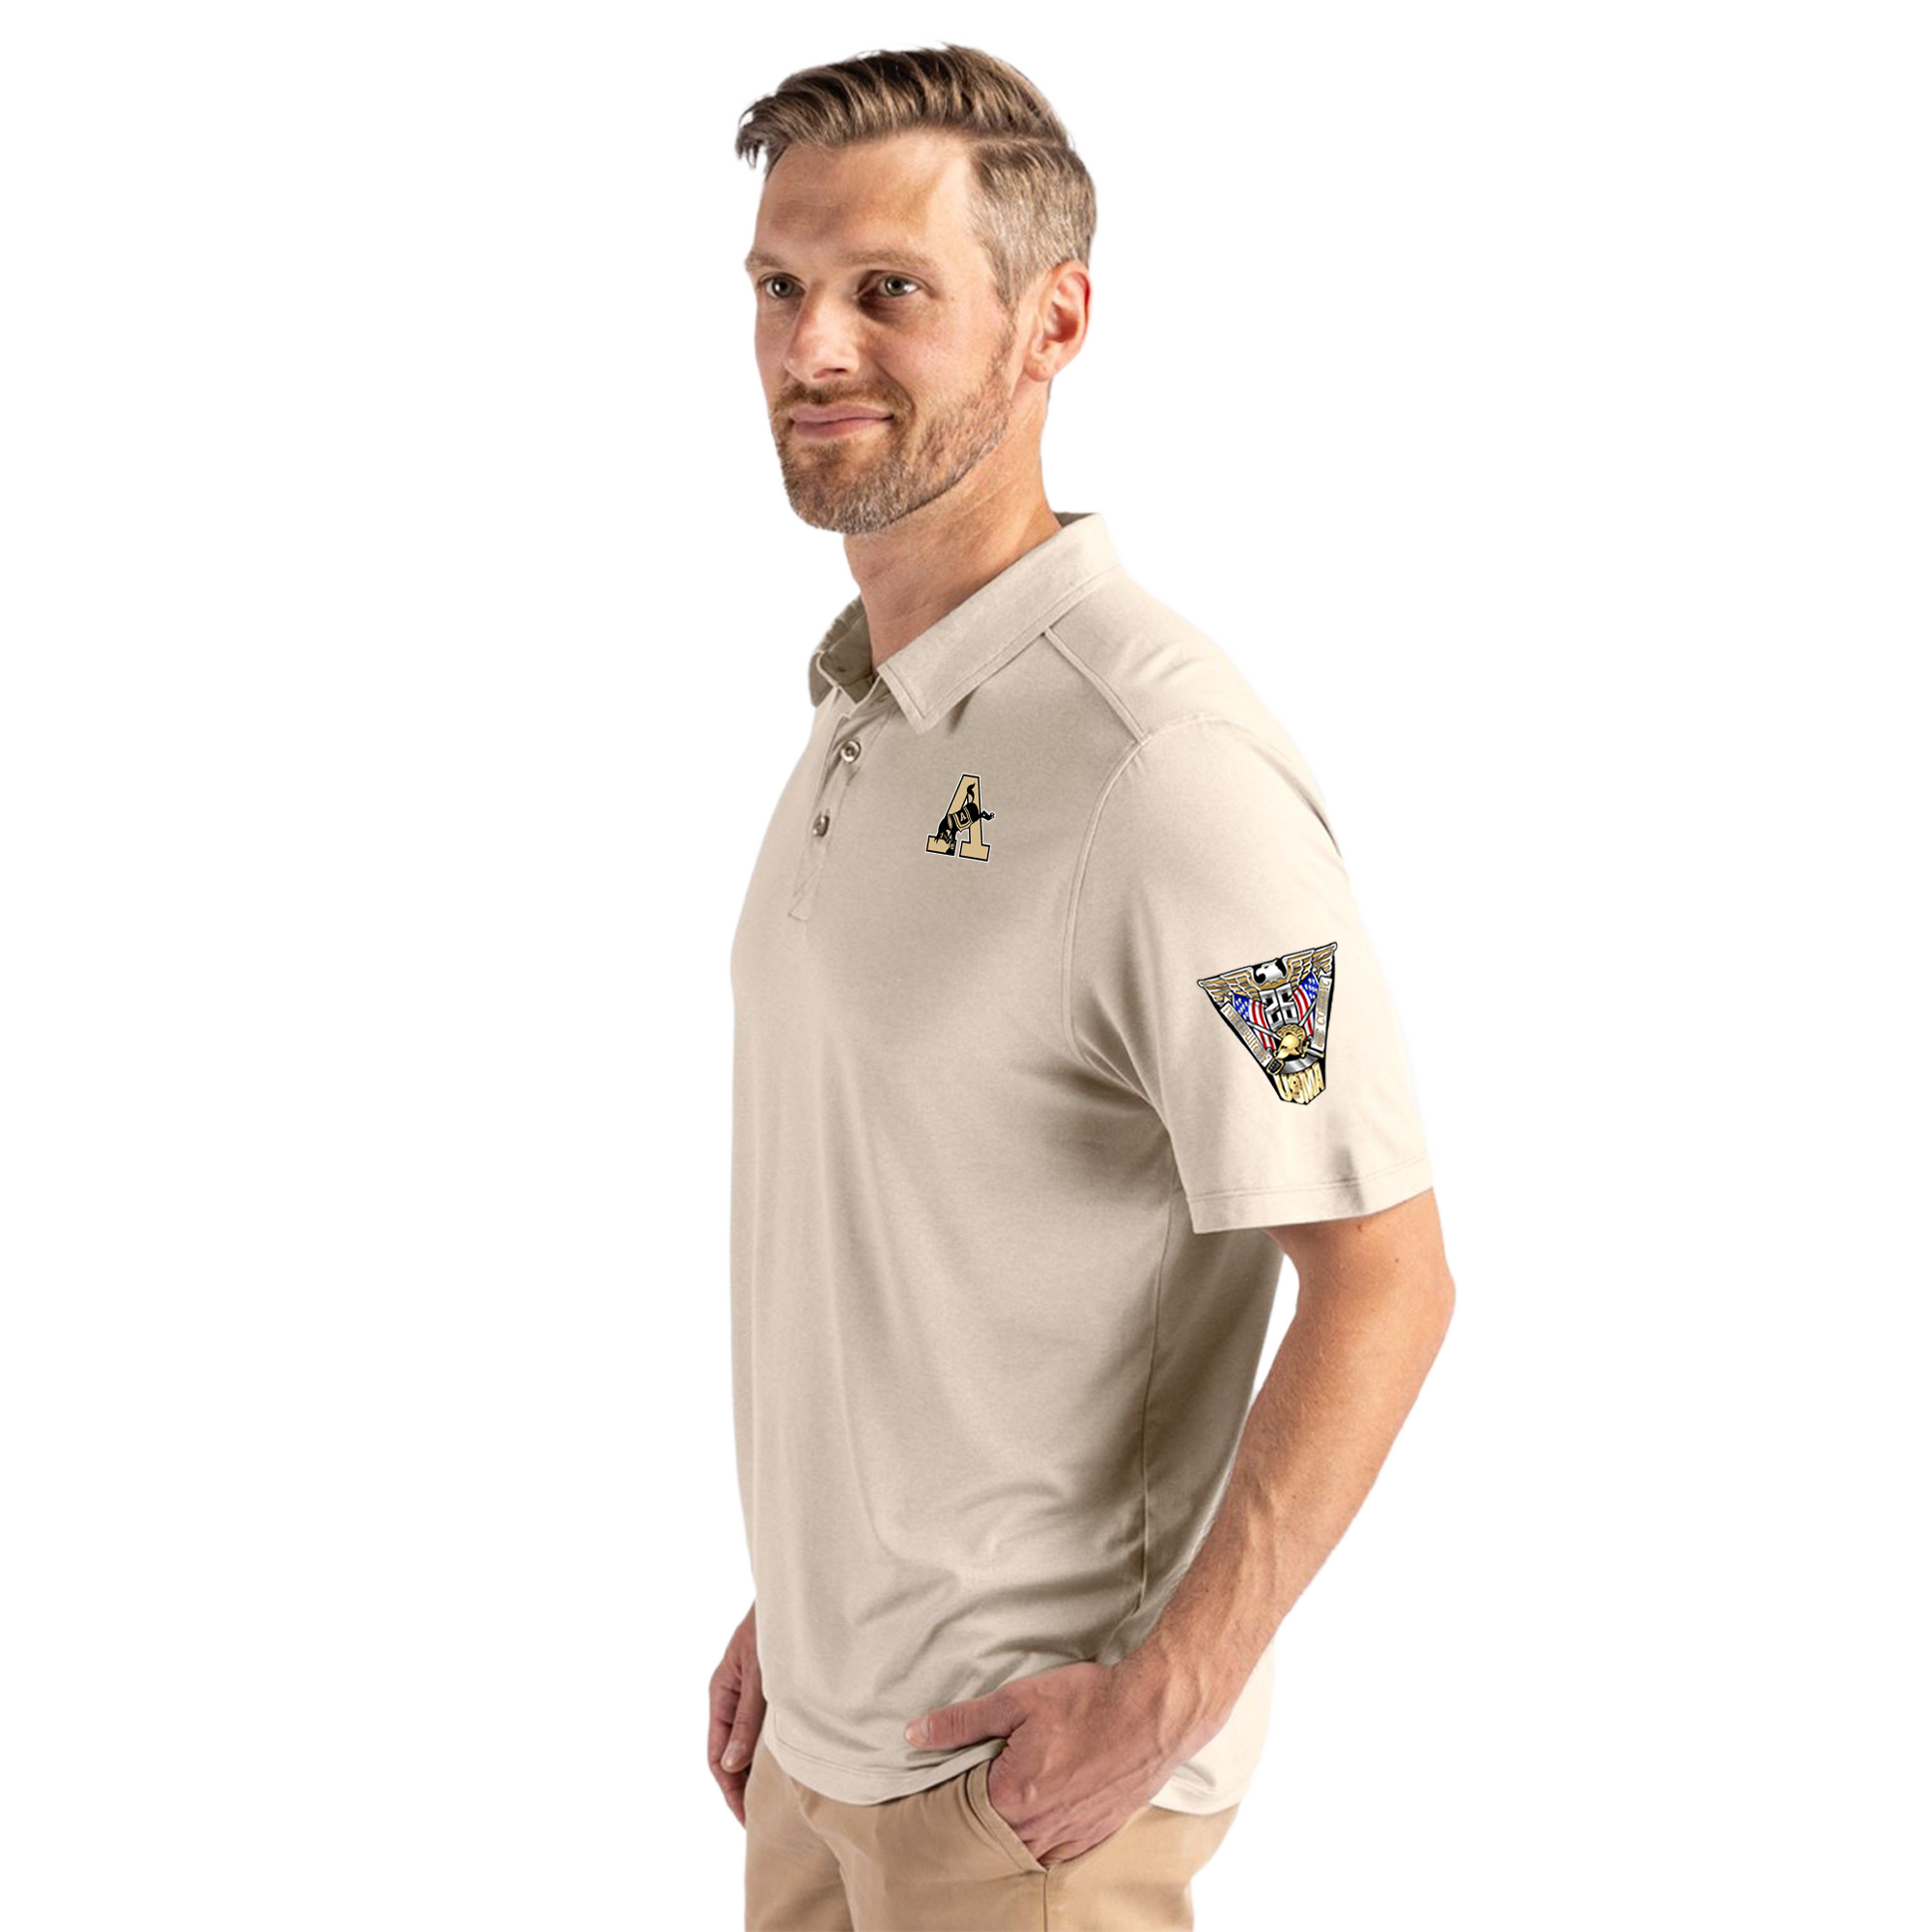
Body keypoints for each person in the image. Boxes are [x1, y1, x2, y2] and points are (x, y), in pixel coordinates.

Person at [710, 41, 1458, 1930]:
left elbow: (1387, 1273)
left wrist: (1164, 1696)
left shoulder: (1159, 772)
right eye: (780, 285)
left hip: (1019, 1803)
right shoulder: (867, 706)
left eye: (889, 288)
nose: (812, 347)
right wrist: (811, 1605)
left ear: (1054, 322)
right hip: (823, 1757)